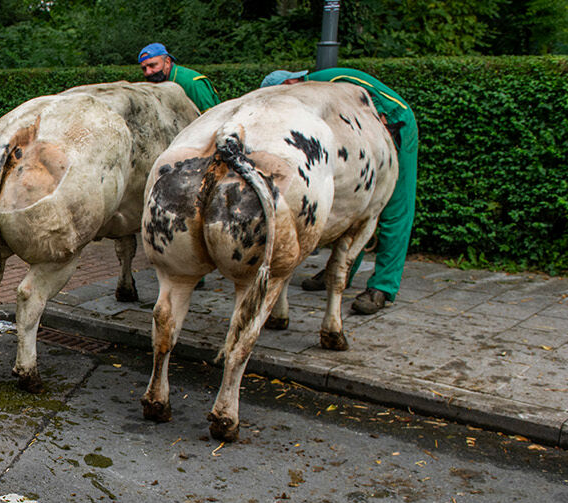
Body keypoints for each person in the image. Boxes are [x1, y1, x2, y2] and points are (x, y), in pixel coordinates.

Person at [260, 68, 419, 315]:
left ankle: (382, 287)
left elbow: (372, 104)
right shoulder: (312, 95)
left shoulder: (330, 79)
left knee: (394, 210)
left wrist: (383, 135)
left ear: (290, 83)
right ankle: (340, 271)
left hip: (396, 125)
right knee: (349, 206)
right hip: (367, 136)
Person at [137, 42, 221, 112]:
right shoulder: (159, 82)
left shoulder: (192, 84)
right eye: (144, 68)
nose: (148, 72)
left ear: (167, 62)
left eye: (152, 65)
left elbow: (211, 119)